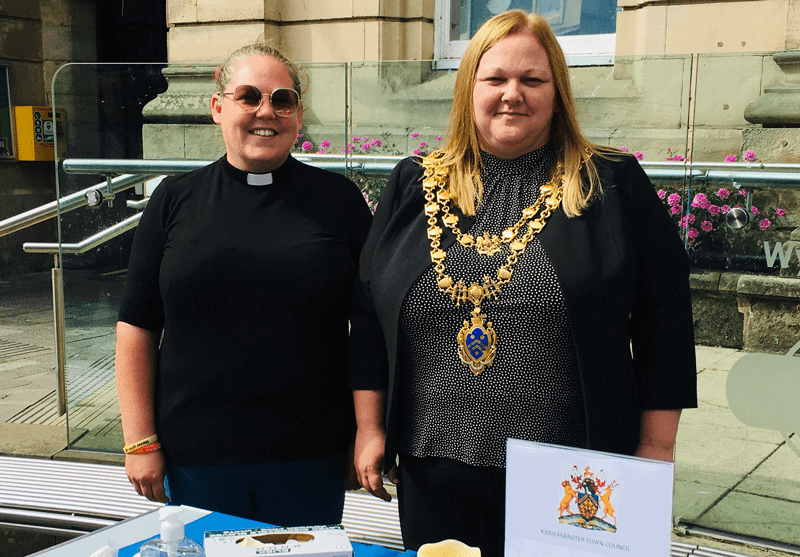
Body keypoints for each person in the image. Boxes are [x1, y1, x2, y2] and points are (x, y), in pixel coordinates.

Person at [354, 10, 697, 557]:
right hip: (432, 469)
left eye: (532, 80)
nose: (512, 94)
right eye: (495, 79)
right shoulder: (412, 184)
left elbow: (666, 323)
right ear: (469, 89)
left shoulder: (611, 184)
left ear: (556, 92)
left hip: (570, 479)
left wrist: (656, 447)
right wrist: (370, 430)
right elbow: (370, 316)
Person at [115, 42, 383, 526]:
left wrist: (367, 430)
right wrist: (140, 440)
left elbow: (367, 326)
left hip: (309, 455)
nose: (267, 112)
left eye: (283, 100)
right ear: (218, 107)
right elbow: (137, 323)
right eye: (249, 96)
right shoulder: (175, 200)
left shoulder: (337, 201)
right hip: (197, 456)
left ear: (298, 115)